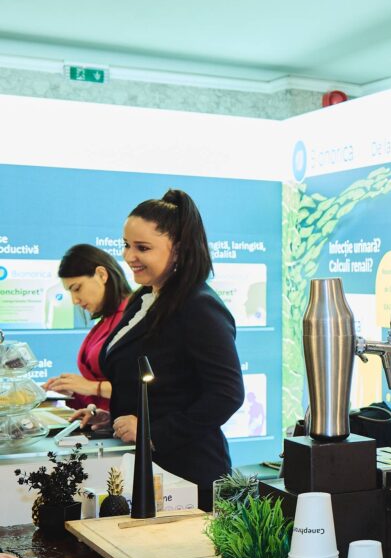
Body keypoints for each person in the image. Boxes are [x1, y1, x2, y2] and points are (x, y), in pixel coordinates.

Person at [87, 189, 244, 511]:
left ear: (180, 250)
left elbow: (227, 394)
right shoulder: (144, 299)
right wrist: (114, 416)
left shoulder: (200, 306)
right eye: (126, 245)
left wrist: (152, 432)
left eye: (142, 248)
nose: (129, 256)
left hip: (188, 474)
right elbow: (159, 384)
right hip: (150, 471)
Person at [42, 245, 132, 411]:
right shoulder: (108, 319)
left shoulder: (134, 318)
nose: (74, 300)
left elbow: (143, 389)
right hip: (109, 420)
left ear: (101, 275)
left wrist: (91, 387)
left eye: (77, 288)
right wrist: (73, 390)